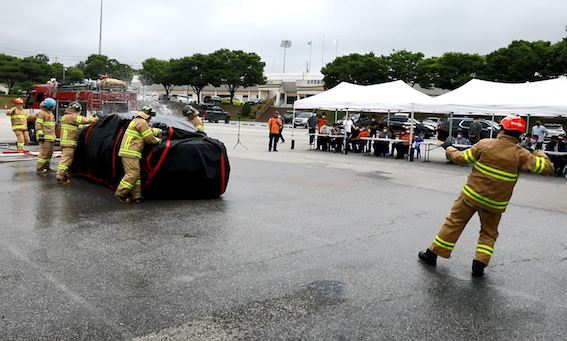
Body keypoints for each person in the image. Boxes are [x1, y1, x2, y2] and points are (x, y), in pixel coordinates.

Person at [418, 115, 554, 277]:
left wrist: (449, 148)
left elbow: (460, 158)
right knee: (489, 233)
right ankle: (479, 264)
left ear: (502, 129)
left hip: (470, 196)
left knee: (454, 223)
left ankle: (432, 254)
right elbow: (547, 168)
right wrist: (540, 154)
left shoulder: (485, 145)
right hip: (495, 203)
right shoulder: (521, 154)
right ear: (520, 135)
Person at [114, 105, 162, 203]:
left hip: (129, 152)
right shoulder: (142, 122)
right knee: (133, 174)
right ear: (147, 115)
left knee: (136, 176)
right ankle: (120, 193)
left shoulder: (137, 121)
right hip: (131, 152)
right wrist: (159, 140)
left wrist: (159, 130)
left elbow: (148, 131)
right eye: (150, 116)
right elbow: (149, 139)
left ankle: (137, 196)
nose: (151, 118)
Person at [56, 102, 99, 184]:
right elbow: (86, 120)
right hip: (69, 143)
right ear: (77, 110)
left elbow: (79, 127)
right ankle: (60, 175)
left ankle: (65, 174)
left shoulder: (66, 117)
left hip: (66, 142)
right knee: (66, 160)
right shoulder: (72, 117)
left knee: (67, 158)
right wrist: (95, 119)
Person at [35, 98, 57, 174]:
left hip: (51, 137)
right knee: (44, 154)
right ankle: (40, 168)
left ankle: (47, 167)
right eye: (53, 106)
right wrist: (40, 134)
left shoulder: (51, 113)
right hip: (44, 137)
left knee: (49, 153)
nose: (54, 107)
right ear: (49, 106)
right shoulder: (42, 113)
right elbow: (38, 124)